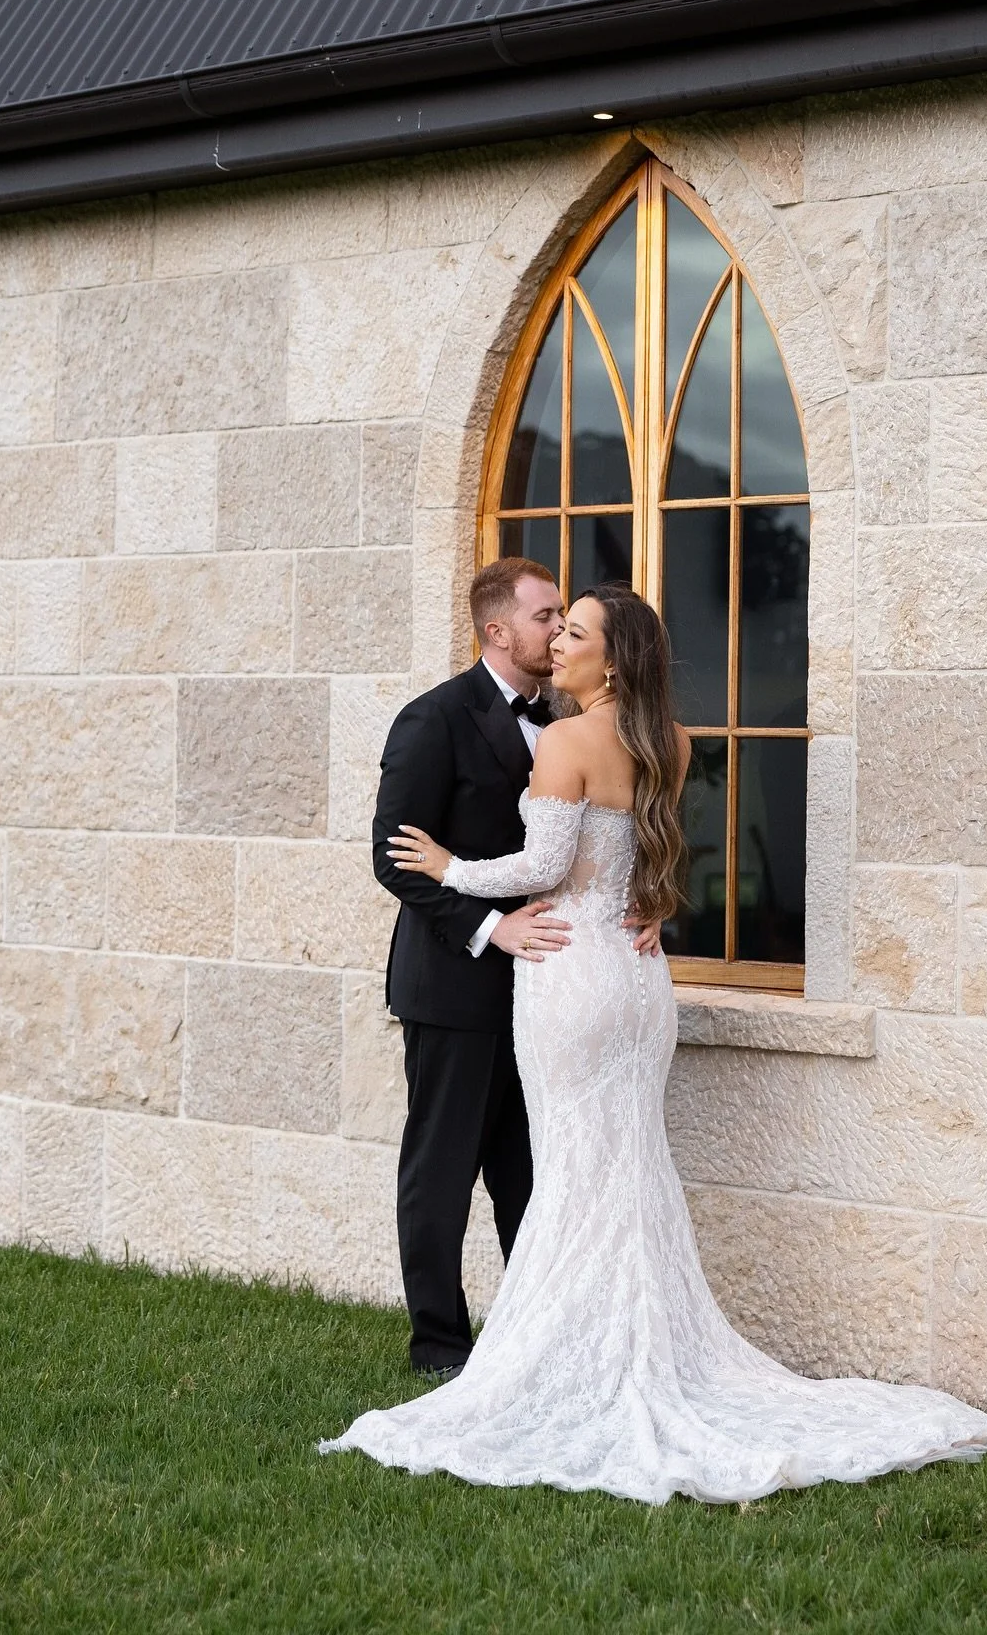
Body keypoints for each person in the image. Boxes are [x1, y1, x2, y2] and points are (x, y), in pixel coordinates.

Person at [324, 584, 987, 1503]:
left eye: (574, 631)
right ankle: (569, 1342)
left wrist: (451, 868)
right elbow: (656, 863)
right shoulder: (668, 743)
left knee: (568, 1170)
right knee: (620, 1170)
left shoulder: (567, 739)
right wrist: (650, 908)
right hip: (638, 981)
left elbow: (542, 868)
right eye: (550, 624)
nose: (558, 639)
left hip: (570, 975)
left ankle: (565, 1358)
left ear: (613, 658)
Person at [370, 557, 570, 1379]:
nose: (558, 629)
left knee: (529, 1173)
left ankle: (531, 1336)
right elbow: (396, 860)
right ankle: (440, 1347)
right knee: (442, 1173)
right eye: (545, 616)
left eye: (563, 617)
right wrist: (493, 929)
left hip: (547, 993)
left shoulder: (568, 717)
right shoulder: (433, 721)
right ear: (497, 630)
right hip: (455, 987)